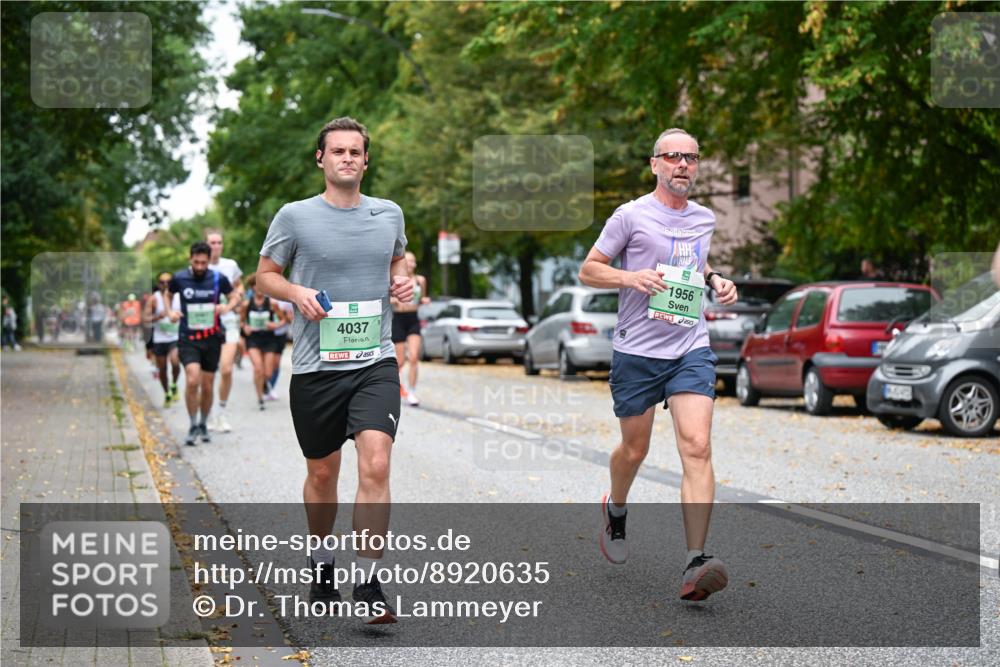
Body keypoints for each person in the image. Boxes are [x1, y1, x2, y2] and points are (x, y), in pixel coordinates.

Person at [256, 117, 412, 624]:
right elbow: (264, 277)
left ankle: (368, 580)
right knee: (322, 474)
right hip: (316, 366)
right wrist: (296, 292)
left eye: (355, 151)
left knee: (377, 464)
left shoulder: (389, 214)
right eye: (337, 151)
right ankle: (321, 559)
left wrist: (405, 286)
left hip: (375, 361)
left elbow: (397, 267)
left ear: (366, 160)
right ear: (321, 159)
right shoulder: (294, 217)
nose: (347, 158)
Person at [579, 127, 738, 602]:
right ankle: (617, 508)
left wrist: (717, 280)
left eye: (690, 157)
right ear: (655, 165)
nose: (682, 165)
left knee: (697, 445)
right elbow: (589, 269)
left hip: (689, 346)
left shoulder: (704, 219)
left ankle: (696, 560)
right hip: (637, 351)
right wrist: (630, 276)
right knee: (635, 449)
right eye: (673, 157)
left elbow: (695, 263)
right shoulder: (629, 216)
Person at [165, 241, 236, 446]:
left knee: (207, 385)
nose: (199, 267)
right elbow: (168, 295)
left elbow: (234, 296)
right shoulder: (179, 278)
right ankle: (193, 423)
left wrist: (226, 306)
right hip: (188, 338)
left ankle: (204, 423)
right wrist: (170, 312)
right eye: (196, 262)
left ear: (208, 261)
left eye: (203, 263)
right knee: (193, 379)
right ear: (190, 259)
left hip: (212, 338)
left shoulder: (217, 278)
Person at [205, 229, 244, 434]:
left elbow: (239, 286)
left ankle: (221, 411)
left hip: (228, 322)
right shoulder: (198, 267)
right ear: (205, 244)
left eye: (219, 242)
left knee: (226, 369)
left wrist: (233, 302)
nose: (216, 246)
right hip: (206, 327)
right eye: (212, 242)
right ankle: (209, 413)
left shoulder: (230, 265)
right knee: (208, 374)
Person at [241, 274, 288, 411]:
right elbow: (241, 321)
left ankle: (264, 384)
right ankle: (260, 398)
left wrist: (275, 325)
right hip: (254, 339)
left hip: (269, 339)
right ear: (252, 287)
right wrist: (245, 327)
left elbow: (284, 320)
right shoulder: (246, 304)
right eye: (256, 285)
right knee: (258, 368)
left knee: (268, 372)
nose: (259, 288)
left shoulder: (272, 304)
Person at [390, 251, 429, 406]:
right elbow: (388, 297)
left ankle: (412, 393)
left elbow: (421, 299)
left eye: (413, 261)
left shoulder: (420, 280)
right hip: (398, 319)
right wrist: (394, 301)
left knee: (413, 357)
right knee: (399, 361)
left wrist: (425, 300)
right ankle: (397, 387)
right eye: (408, 261)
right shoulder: (396, 279)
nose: (411, 264)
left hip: (413, 319)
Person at [145, 272, 181, 406]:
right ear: (158, 283)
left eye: (169, 282)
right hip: (160, 339)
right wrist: (158, 317)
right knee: (162, 369)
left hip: (175, 337)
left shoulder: (178, 296)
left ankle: (174, 384)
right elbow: (145, 319)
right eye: (162, 282)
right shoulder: (154, 299)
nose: (166, 284)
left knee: (175, 362)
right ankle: (167, 393)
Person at [266, 297, 295, 400]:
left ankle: (270, 388)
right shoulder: (267, 297)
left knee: (276, 364)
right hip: (267, 335)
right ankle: (265, 387)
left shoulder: (286, 301)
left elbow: (289, 319)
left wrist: (278, 310)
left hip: (280, 335)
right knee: (267, 364)